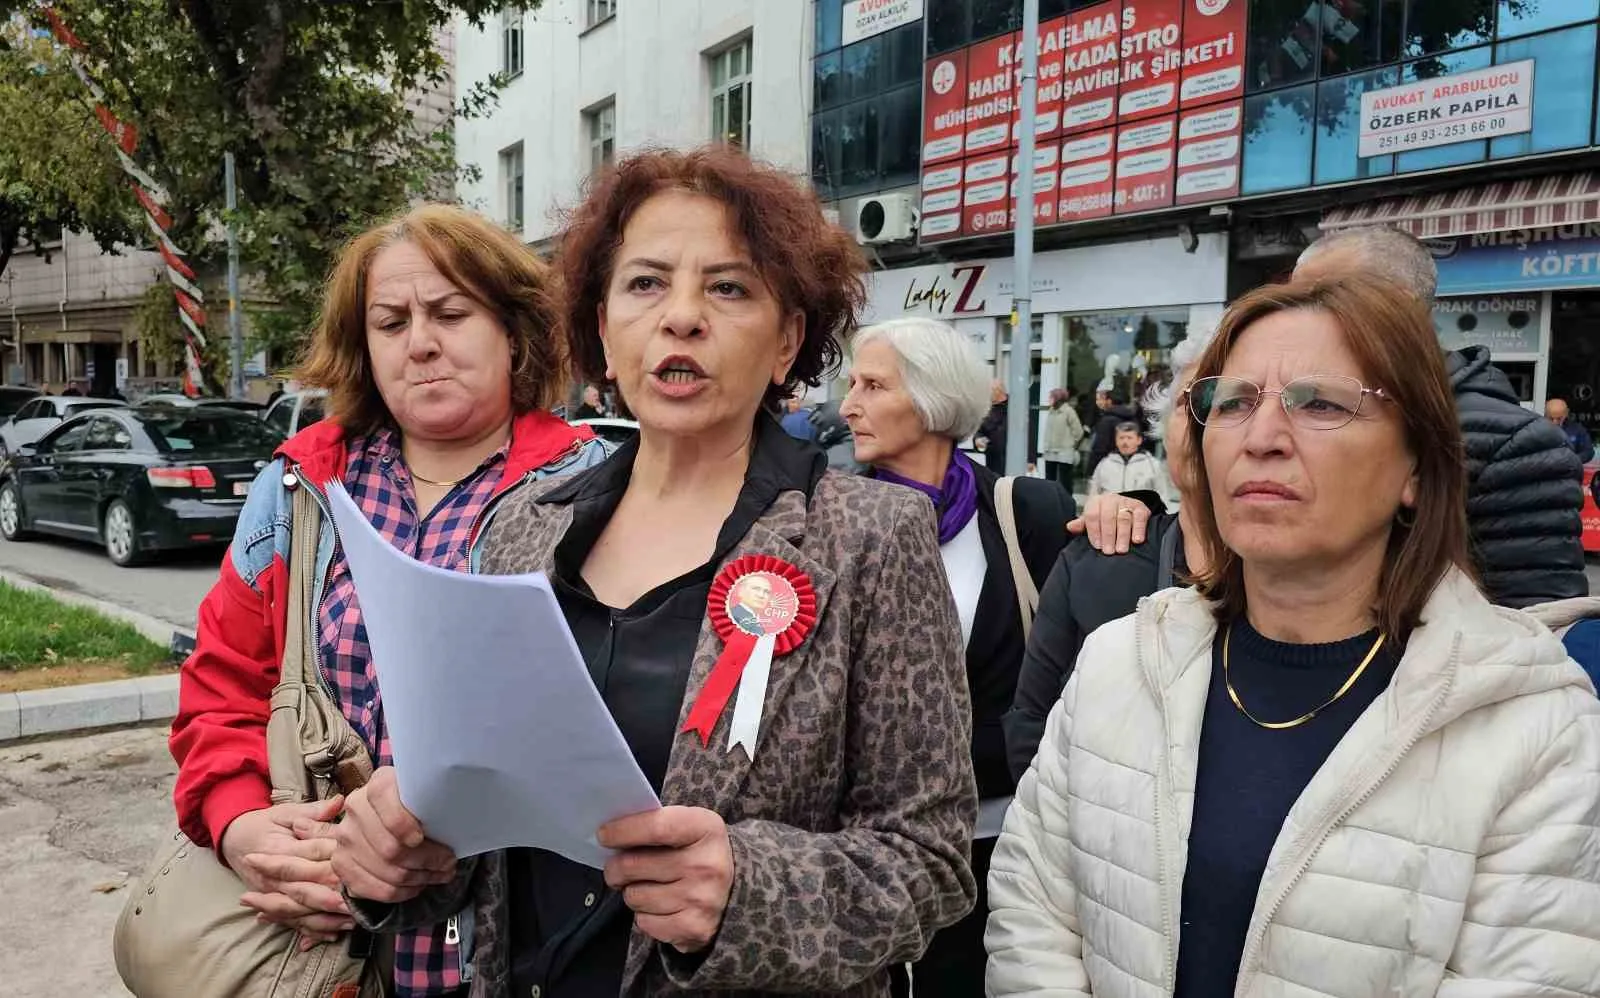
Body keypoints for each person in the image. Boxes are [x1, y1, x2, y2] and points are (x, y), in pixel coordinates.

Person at [333, 147, 978, 998]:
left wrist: (747, 890)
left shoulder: (871, 537)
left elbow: (932, 860)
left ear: (787, 340)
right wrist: (404, 851)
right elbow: (483, 842)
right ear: (604, 331)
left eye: (729, 288)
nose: (681, 318)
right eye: (645, 284)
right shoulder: (523, 528)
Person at [987, 275, 1600, 997]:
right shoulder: (1122, 662)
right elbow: (1033, 917)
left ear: (1416, 465)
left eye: (1322, 404)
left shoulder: (1533, 728)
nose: (1262, 438)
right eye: (1233, 402)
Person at [168, 203, 609, 998]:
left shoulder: (593, 487)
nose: (421, 343)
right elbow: (222, 687)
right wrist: (240, 825)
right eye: (391, 322)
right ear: (363, 347)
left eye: (451, 313)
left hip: (516, 945)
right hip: (322, 940)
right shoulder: (299, 493)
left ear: (513, 332)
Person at [840, 315, 1074, 998]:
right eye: (852, 384)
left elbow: (1069, 668)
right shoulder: (833, 520)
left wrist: (1129, 510)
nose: (848, 405)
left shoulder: (1023, 511)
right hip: (869, 848)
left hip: (998, 841)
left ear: (932, 398)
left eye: (873, 386)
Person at [1296, 225, 1586, 607]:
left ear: (1401, 309)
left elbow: (1536, 618)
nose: (1295, 319)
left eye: (1323, 300)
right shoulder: (1288, 412)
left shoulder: (1513, 446)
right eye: (1293, 302)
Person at [1004, 330, 1214, 778]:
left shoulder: (1310, 583)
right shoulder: (1094, 558)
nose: (1206, 419)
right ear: (1164, 426)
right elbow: (1031, 723)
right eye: (1192, 400)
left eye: (1230, 402)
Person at [1087, 419, 1175, 502]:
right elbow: (1094, 493)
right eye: (1121, 438)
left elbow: (1162, 494)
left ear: (1139, 440)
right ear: (1116, 440)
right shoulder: (1105, 464)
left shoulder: (1152, 465)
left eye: (1129, 438)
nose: (1125, 442)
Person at [1085, 382, 1138, 472]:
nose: (1099, 403)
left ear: (1109, 401)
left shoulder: (1106, 421)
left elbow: (1100, 448)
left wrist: (1091, 470)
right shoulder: (1132, 418)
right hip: (1129, 465)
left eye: (1101, 399)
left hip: (1109, 466)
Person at [1040, 387, 1084, 487]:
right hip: (1050, 451)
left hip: (1064, 453)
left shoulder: (1069, 411)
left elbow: (1078, 432)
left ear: (1058, 398)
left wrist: (1071, 444)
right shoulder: (1051, 411)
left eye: (1051, 397)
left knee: (1065, 480)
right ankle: (1050, 497)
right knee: (1049, 480)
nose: (1049, 399)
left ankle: (1066, 497)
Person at [1546, 397, 1595, 463]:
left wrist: (1572, 460)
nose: (1555, 422)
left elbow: (1588, 451)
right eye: (1551, 418)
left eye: (1559, 418)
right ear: (1546, 414)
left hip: (1569, 466)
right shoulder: (1537, 428)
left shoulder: (1577, 429)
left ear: (1566, 413)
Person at [975, 380, 1009, 472]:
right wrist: (978, 439)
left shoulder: (1015, 406)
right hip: (993, 460)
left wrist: (1030, 459)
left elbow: (1029, 431)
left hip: (1011, 457)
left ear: (998, 391)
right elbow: (980, 430)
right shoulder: (986, 408)